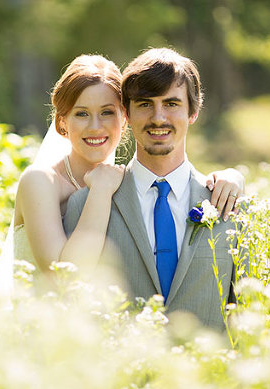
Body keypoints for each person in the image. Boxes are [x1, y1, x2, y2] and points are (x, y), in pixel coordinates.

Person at [0, 54, 243, 295]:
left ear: (125, 118)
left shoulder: (123, 183)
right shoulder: (41, 181)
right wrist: (99, 192)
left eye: (107, 112)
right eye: (81, 114)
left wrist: (233, 176)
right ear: (62, 122)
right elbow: (62, 278)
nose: (95, 126)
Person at [63, 48, 241, 330]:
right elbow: (73, 308)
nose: (158, 118)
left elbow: (245, 316)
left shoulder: (230, 205)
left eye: (171, 104)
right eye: (145, 104)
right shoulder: (84, 205)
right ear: (127, 114)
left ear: (193, 112)